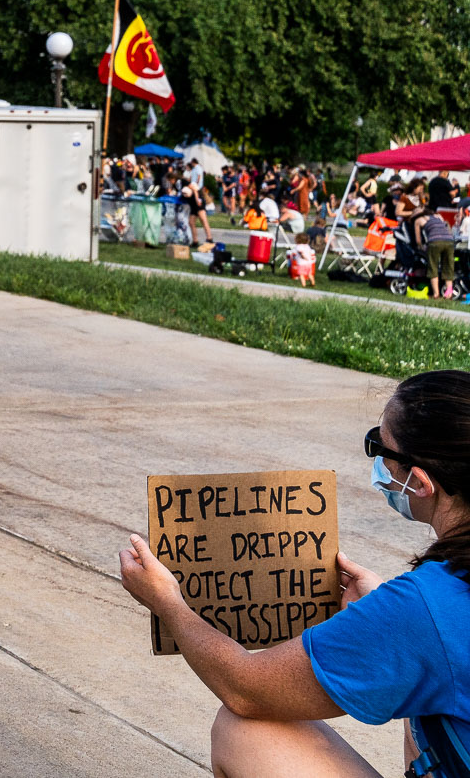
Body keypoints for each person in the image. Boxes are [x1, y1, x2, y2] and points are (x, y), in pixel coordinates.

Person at [120, 369, 470, 778]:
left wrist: (167, 603)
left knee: (244, 728)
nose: (377, 461)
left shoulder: (424, 608)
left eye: (379, 445)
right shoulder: (423, 608)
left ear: (420, 482)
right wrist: (387, 617)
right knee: (423, 705)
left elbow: (245, 689)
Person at [415, 208, 459, 300]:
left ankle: (436, 294)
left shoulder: (418, 220)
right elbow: (446, 227)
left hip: (435, 242)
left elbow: (418, 240)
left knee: (433, 266)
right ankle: (449, 294)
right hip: (449, 241)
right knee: (448, 266)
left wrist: (421, 247)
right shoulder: (438, 216)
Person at [181, 175, 213, 244]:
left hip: (199, 205)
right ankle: (195, 241)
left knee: (203, 220)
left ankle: (209, 238)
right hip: (193, 206)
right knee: (191, 222)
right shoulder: (182, 185)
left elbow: (195, 192)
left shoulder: (191, 185)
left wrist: (197, 200)